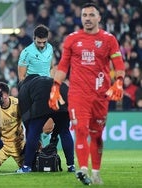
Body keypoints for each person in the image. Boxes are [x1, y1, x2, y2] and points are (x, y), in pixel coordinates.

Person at [48, 3, 125, 185]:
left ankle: (96, 172)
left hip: (100, 95)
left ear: (99, 18)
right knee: (81, 129)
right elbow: (63, 65)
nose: (88, 18)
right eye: (84, 15)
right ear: (81, 18)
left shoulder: (109, 39)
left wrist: (119, 81)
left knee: (96, 134)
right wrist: (55, 86)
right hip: (78, 94)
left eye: (91, 15)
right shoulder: (72, 39)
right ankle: (82, 169)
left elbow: (119, 64)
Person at [17, 24, 74, 173]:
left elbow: (52, 68)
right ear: (34, 39)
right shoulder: (26, 52)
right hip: (34, 91)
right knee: (55, 129)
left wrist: (53, 84)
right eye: (39, 42)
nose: (42, 45)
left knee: (37, 131)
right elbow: (22, 78)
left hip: (48, 89)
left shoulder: (50, 48)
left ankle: (28, 166)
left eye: (44, 42)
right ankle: (68, 164)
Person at [17, 74, 74, 173]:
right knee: (65, 131)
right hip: (62, 94)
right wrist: (55, 135)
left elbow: (26, 116)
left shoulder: (24, 88)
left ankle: (26, 167)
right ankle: (71, 166)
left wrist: (30, 133)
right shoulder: (46, 80)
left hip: (42, 101)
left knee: (33, 132)